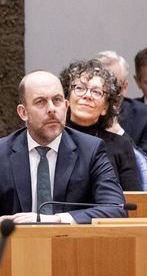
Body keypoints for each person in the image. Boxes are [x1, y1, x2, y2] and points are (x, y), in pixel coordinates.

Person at [0, 70, 126, 224]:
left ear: (66, 107)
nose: (52, 109)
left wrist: (57, 219)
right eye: (40, 102)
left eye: (57, 100)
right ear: (23, 112)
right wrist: (1, 223)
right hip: (17, 245)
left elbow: (115, 208)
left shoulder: (91, 150)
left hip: (73, 244)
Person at [59, 59, 141, 190]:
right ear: (67, 98)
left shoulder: (120, 145)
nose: (87, 96)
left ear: (105, 107)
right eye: (79, 88)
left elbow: (132, 201)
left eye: (97, 92)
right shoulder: (54, 139)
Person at [95, 50, 147, 153]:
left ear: (124, 87)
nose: (107, 93)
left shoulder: (145, 116)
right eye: (98, 89)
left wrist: (118, 131)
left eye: (113, 86)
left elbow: (146, 164)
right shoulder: (80, 111)